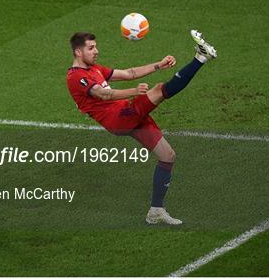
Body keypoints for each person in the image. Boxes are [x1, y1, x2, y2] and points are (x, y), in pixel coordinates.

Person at [66, 30, 217, 225]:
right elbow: (104, 95)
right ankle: (201, 57)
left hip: (129, 114)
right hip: (120, 118)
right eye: (91, 48)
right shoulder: (76, 77)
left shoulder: (94, 69)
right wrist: (134, 91)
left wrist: (158, 65)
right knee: (159, 90)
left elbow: (130, 73)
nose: (96, 51)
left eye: (95, 46)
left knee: (168, 156)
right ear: (78, 52)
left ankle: (156, 211)